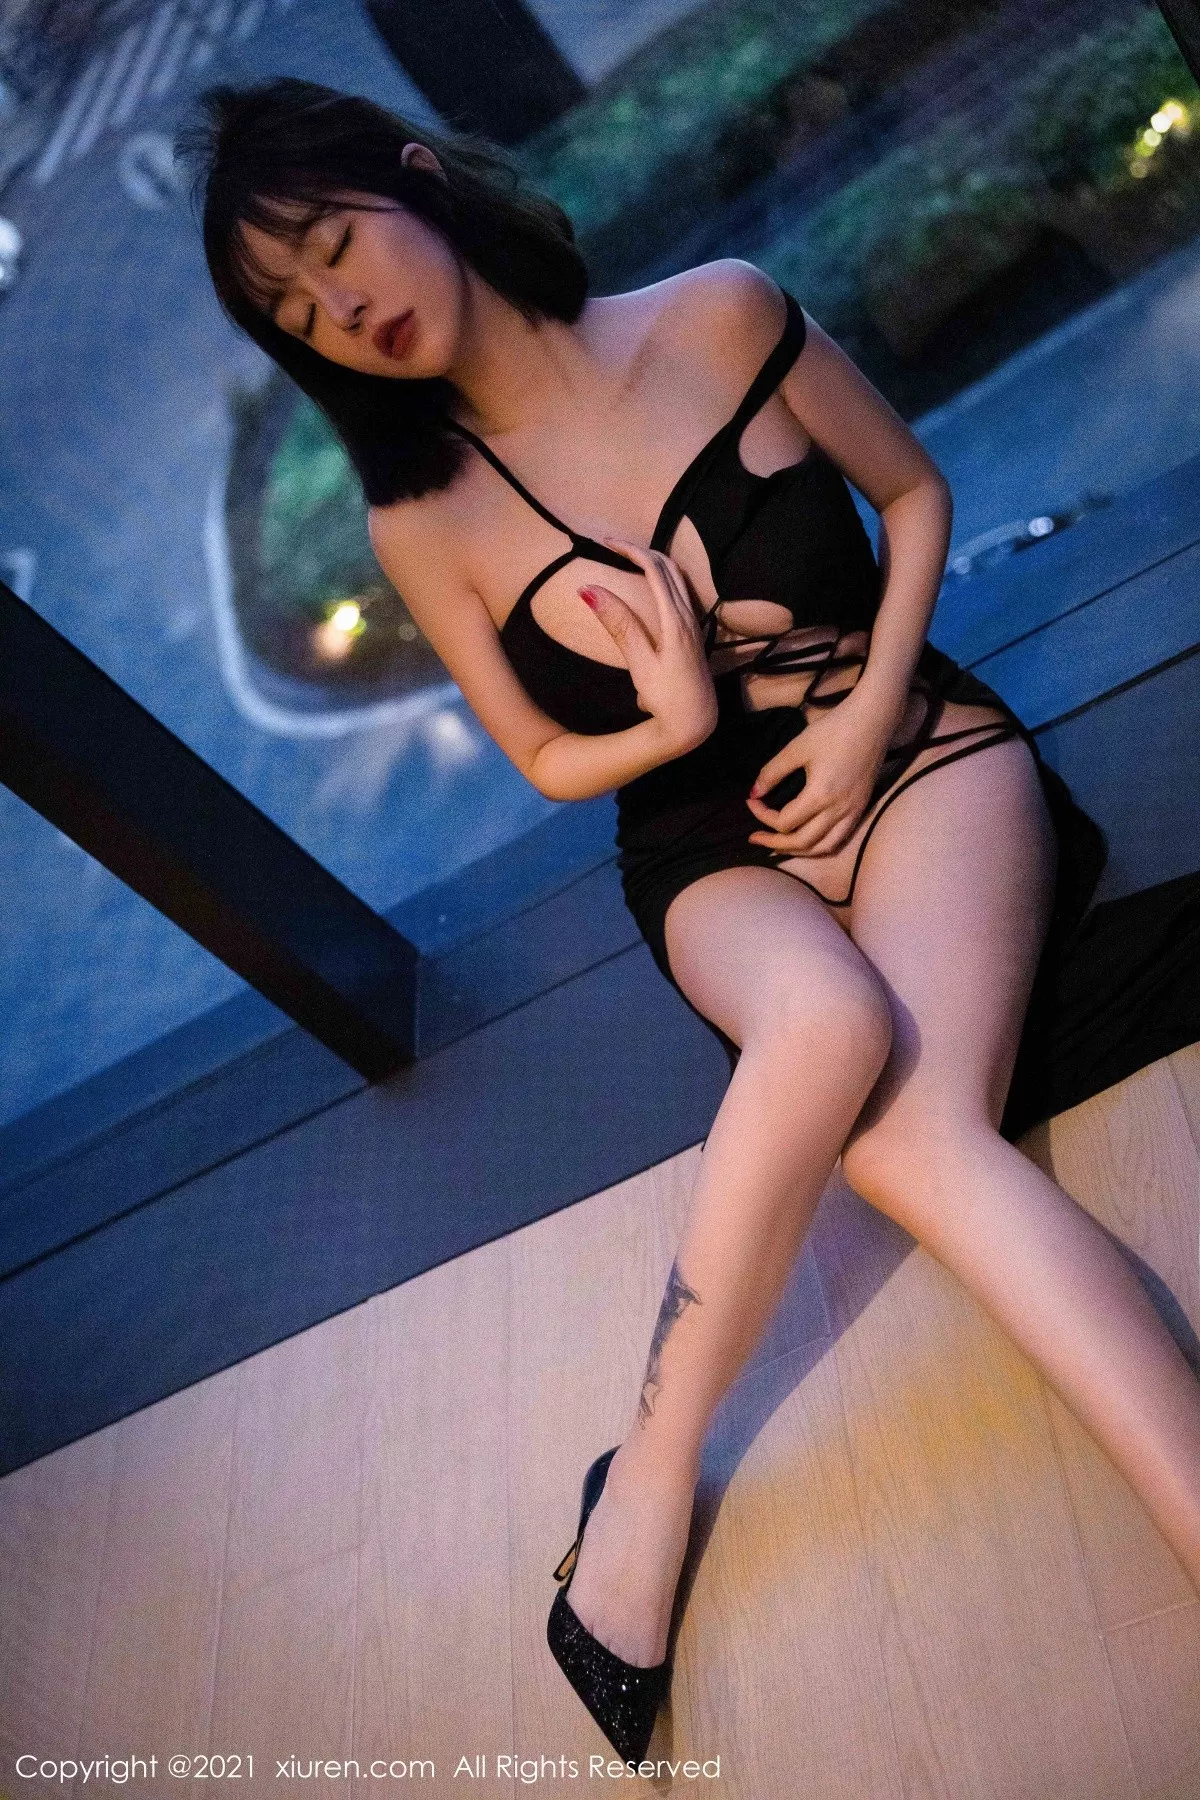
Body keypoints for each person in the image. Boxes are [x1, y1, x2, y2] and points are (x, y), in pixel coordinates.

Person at [183, 78, 1200, 1764]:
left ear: (414, 178)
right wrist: (666, 721)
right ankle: (652, 1478)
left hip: (913, 750)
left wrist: (864, 720)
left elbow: (917, 499)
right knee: (832, 1028)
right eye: (296, 314)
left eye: (335, 247)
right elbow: (544, 756)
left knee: (918, 1141)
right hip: (700, 842)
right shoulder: (419, 518)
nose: (342, 312)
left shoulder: (722, 315)